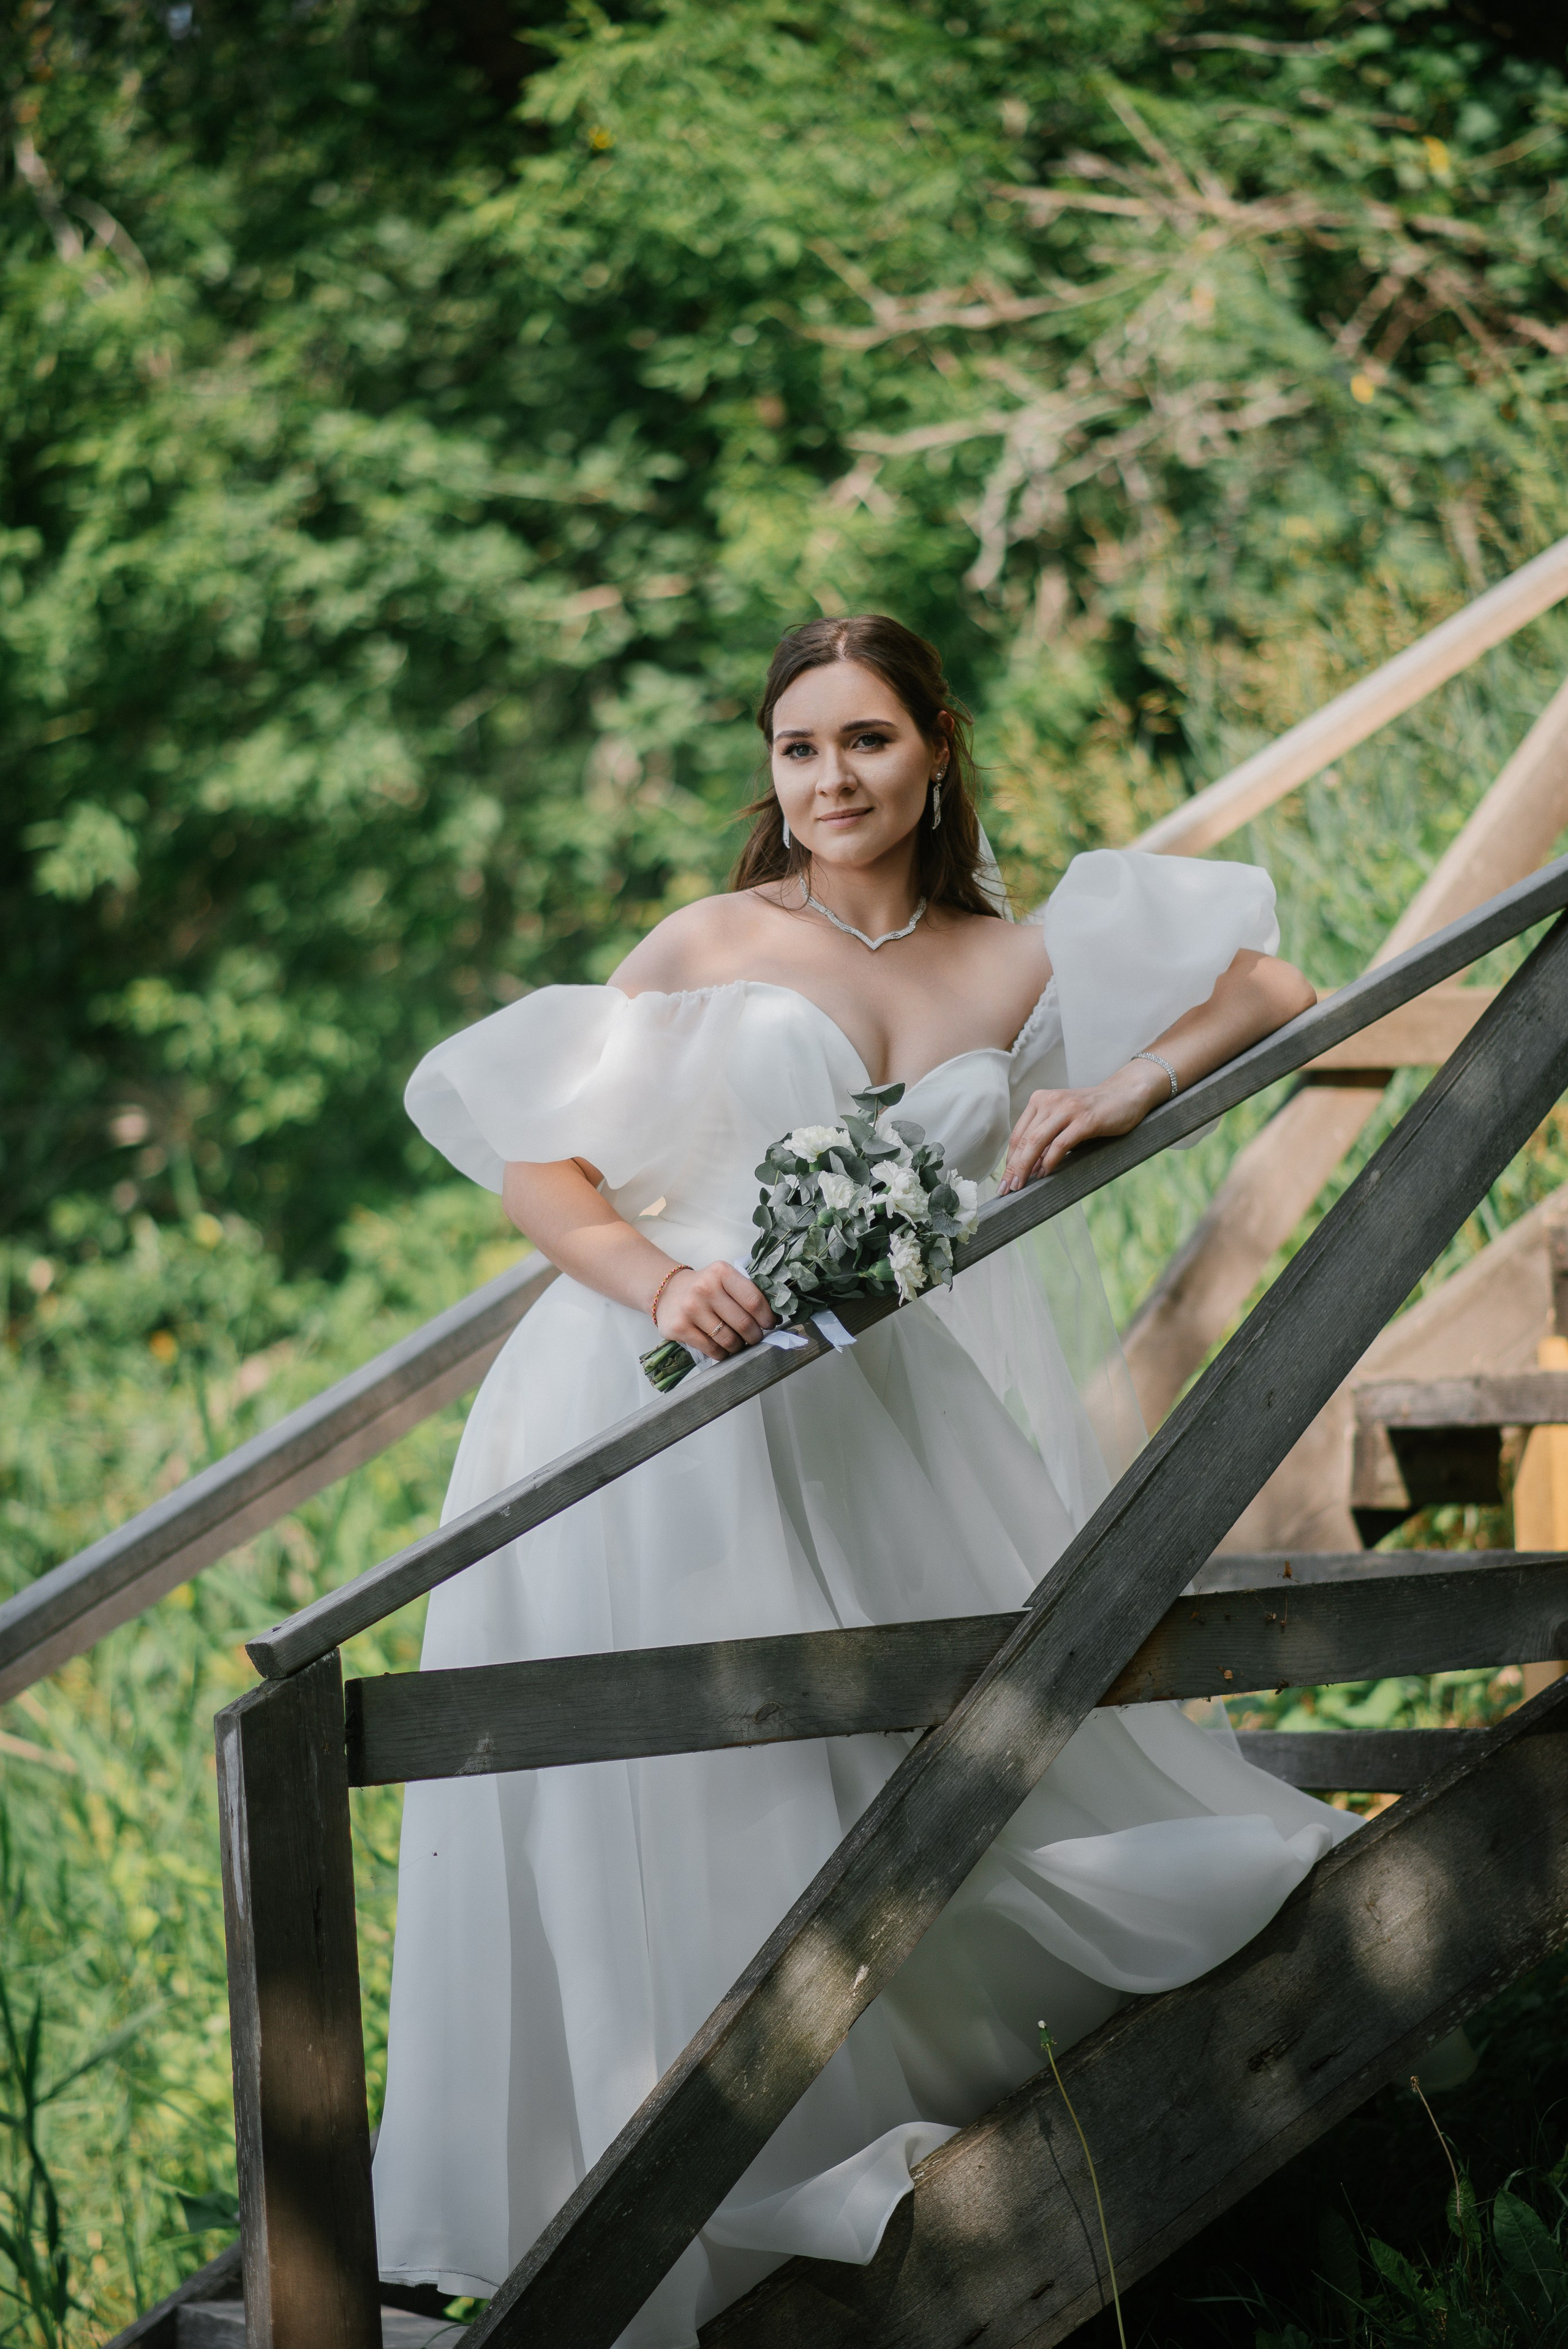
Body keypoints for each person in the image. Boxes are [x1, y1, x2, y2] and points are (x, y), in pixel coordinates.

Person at [372, 614, 1358, 2344]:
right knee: (675, 1782)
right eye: (799, 748)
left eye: (867, 743)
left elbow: (1272, 985)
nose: (830, 780)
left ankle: (822, 2120)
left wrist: (1132, 1078)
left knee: (903, 1746)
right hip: (641, 1406)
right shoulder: (712, 941)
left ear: (935, 747)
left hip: (862, 1413)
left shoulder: (1006, 962)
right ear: (772, 771)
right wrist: (664, 1281)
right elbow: (540, 1164)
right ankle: (636, 2189)